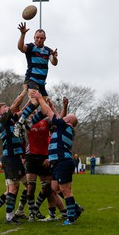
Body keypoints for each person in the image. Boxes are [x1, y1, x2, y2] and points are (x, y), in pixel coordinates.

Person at [31, 91, 82, 225]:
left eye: (66, 117)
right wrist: (61, 106)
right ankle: (75, 207)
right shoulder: (64, 126)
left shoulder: (64, 125)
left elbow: (49, 113)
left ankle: (71, 218)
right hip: (57, 162)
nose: (63, 118)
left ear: (69, 121)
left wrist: (40, 99)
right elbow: (58, 116)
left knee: (66, 191)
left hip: (63, 162)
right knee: (54, 187)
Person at [13, 23, 58, 137]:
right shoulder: (31, 47)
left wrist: (54, 56)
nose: (39, 39)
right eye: (37, 37)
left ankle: (28, 126)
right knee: (35, 101)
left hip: (42, 84)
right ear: (34, 37)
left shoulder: (48, 50)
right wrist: (23, 34)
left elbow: (54, 62)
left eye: (41, 38)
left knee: (45, 109)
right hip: (31, 80)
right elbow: (20, 48)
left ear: (45, 39)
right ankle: (19, 123)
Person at [0, 87, 28, 224]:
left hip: (16, 157)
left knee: (27, 185)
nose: (7, 108)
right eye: (4, 107)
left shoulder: (9, 119)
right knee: (13, 188)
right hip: (10, 158)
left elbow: (21, 110)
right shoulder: (2, 119)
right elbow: (15, 106)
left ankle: (18, 211)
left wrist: (33, 100)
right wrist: (24, 92)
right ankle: (9, 216)